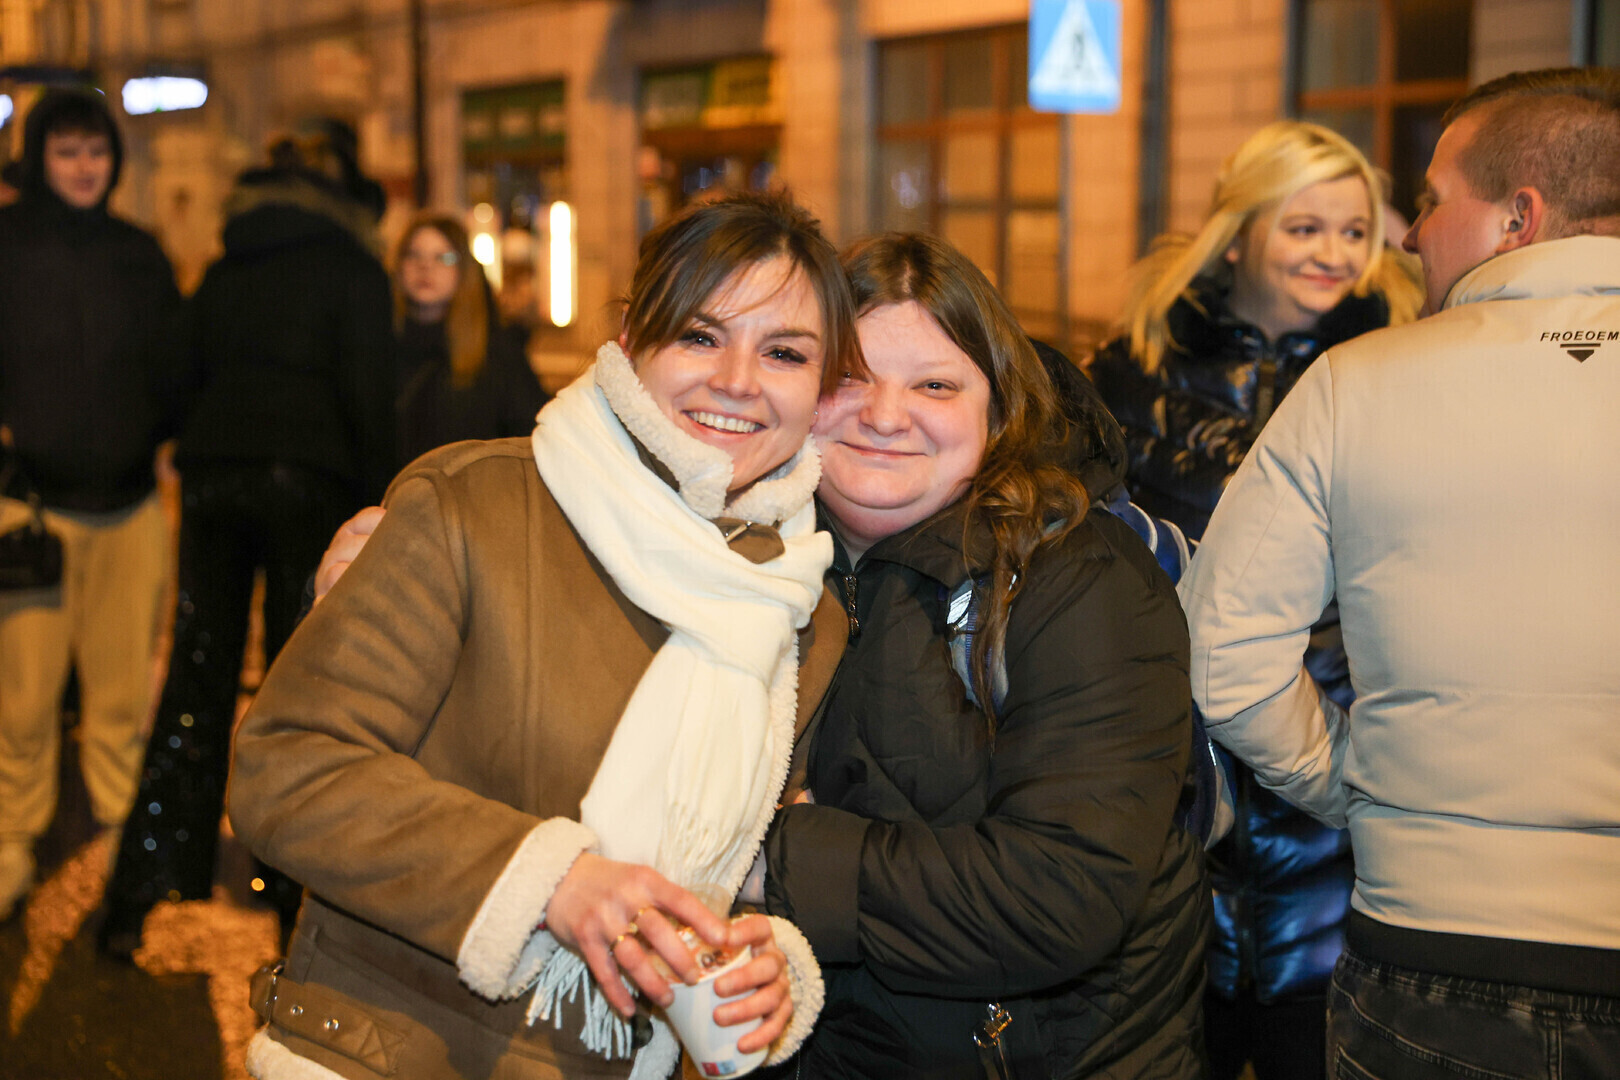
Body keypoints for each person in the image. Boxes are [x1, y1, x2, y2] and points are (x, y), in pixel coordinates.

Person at [226, 190, 858, 1080]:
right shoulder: (476, 504)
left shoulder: (803, 609)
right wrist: (550, 882)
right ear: (635, 340)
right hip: (397, 1052)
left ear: (822, 390)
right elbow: (285, 767)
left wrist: (769, 968)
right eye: (701, 336)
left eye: (784, 352)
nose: (739, 381)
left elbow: (734, 859)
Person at [1178, 66, 1620, 1077]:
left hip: (1432, 934)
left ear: (1519, 215)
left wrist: (1364, 786)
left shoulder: (1360, 385)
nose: (1407, 234)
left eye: (1428, 200)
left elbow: (1224, 655)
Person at [757, 233, 1206, 1078]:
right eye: (849, 377)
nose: (887, 416)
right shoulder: (747, 562)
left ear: (997, 409)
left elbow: (1060, 890)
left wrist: (766, 861)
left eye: (936, 384)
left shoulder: (1078, 581)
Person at [1088, 120, 1422, 1079]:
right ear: (1237, 233)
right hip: (1171, 787)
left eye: (1355, 230)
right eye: (1305, 226)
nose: (1334, 253)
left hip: (1339, 781)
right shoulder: (1130, 372)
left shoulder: (1403, 366)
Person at [98, 123, 398, 955]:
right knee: (297, 684)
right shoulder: (352, 269)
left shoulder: (228, 268)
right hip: (312, 482)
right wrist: (386, 506)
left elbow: (173, 369)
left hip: (218, 475)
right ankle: (288, 888)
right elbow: (371, 397)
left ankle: (144, 886)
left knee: (199, 669)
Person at [0, 87, 184, 921]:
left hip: (130, 508)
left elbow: (175, 368)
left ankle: (120, 840)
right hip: (27, 514)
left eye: (96, 152)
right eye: (67, 150)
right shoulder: (5, 246)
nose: (84, 167)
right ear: (39, 157)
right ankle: (9, 844)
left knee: (118, 697)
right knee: (22, 698)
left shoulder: (140, 256)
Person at [392, 212, 549, 466]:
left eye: (443, 257)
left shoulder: (497, 353)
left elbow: (530, 439)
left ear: (463, 269)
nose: (425, 266)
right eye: (413, 254)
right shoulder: (374, 344)